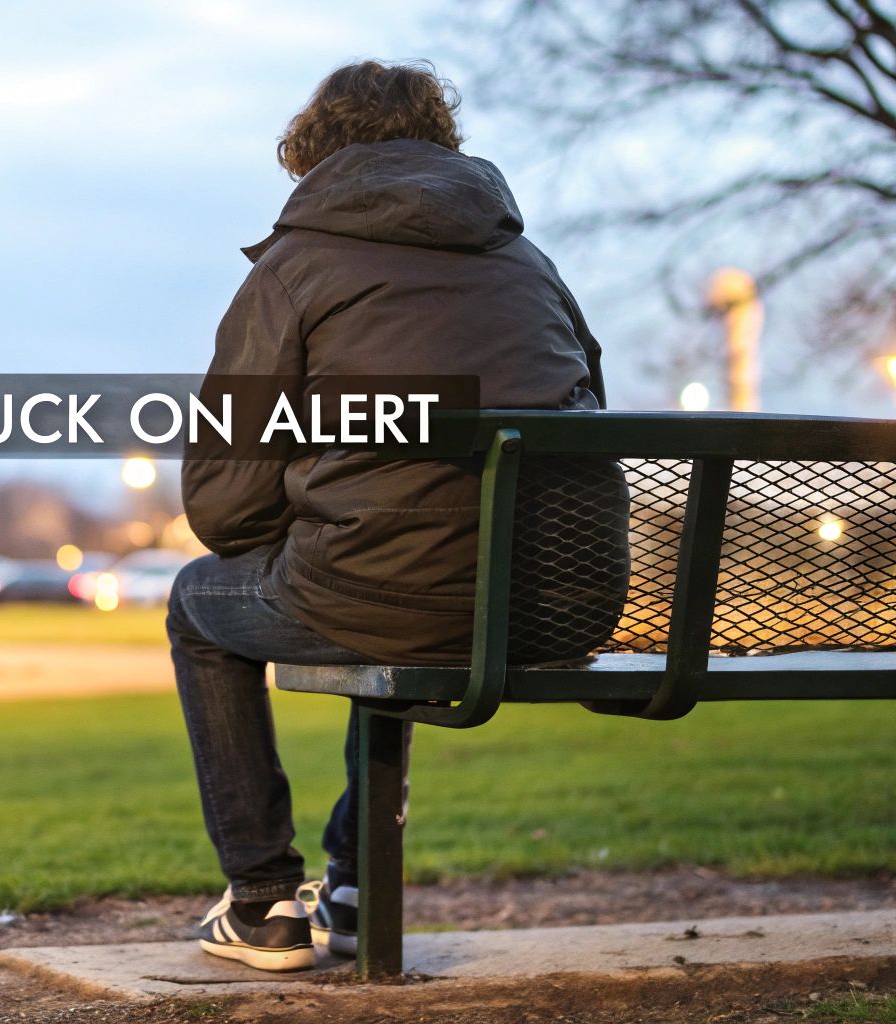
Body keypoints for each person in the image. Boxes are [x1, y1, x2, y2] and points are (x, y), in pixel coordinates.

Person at [171, 60, 618, 971]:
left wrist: (305, 515)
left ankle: (260, 900)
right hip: (560, 602)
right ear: (440, 144)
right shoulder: (531, 265)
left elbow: (222, 505)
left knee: (204, 604)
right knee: (411, 564)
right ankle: (354, 882)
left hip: (390, 589)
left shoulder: (297, 269)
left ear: (314, 152)